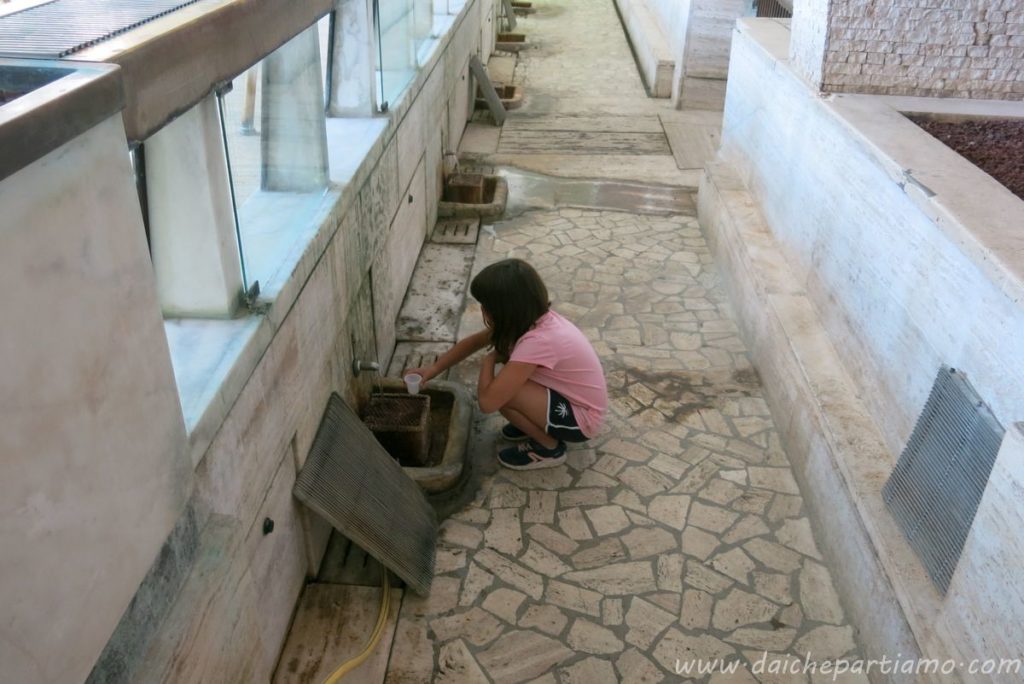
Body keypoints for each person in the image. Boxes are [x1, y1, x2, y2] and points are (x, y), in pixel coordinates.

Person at [405, 258, 607, 470]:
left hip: (582, 420)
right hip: (570, 401)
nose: (482, 310)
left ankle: (550, 448)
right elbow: (473, 342)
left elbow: (488, 402)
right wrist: (434, 369)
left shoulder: (539, 341)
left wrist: (489, 359)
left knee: (504, 395)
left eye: (485, 306)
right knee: (507, 383)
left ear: (503, 310)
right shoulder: (528, 319)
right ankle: (537, 424)